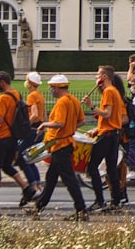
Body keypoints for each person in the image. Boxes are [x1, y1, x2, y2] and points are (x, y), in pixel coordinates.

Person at [30, 74, 89, 221]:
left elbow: (59, 123)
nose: (51, 90)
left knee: (69, 179)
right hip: (65, 143)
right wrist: (70, 128)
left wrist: (44, 124)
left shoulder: (62, 102)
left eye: (51, 88)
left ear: (57, 88)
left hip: (60, 144)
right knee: (51, 178)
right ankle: (38, 207)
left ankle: (81, 210)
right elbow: (81, 121)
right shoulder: (74, 100)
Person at [0, 71, 36, 209]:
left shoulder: (2, 99)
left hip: (2, 136)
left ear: (2, 82)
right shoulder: (16, 95)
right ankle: (27, 188)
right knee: (7, 165)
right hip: (13, 136)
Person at [81, 65, 127, 211]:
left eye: (98, 75)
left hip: (107, 135)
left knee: (92, 167)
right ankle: (116, 200)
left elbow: (107, 113)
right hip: (113, 134)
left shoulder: (108, 92)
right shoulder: (115, 91)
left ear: (104, 77)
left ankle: (99, 200)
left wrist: (91, 106)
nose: (96, 78)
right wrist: (97, 129)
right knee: (111, 169)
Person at [18, 71, 45, 194]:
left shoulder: (32, 96)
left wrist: (25, 126)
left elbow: (34, 114)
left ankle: (33, 185)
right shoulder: (40, 95)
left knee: (22, 157)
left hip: (32, 130)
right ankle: (38, 184)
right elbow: (43, 114)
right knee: (31, 158)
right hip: (40, 130)